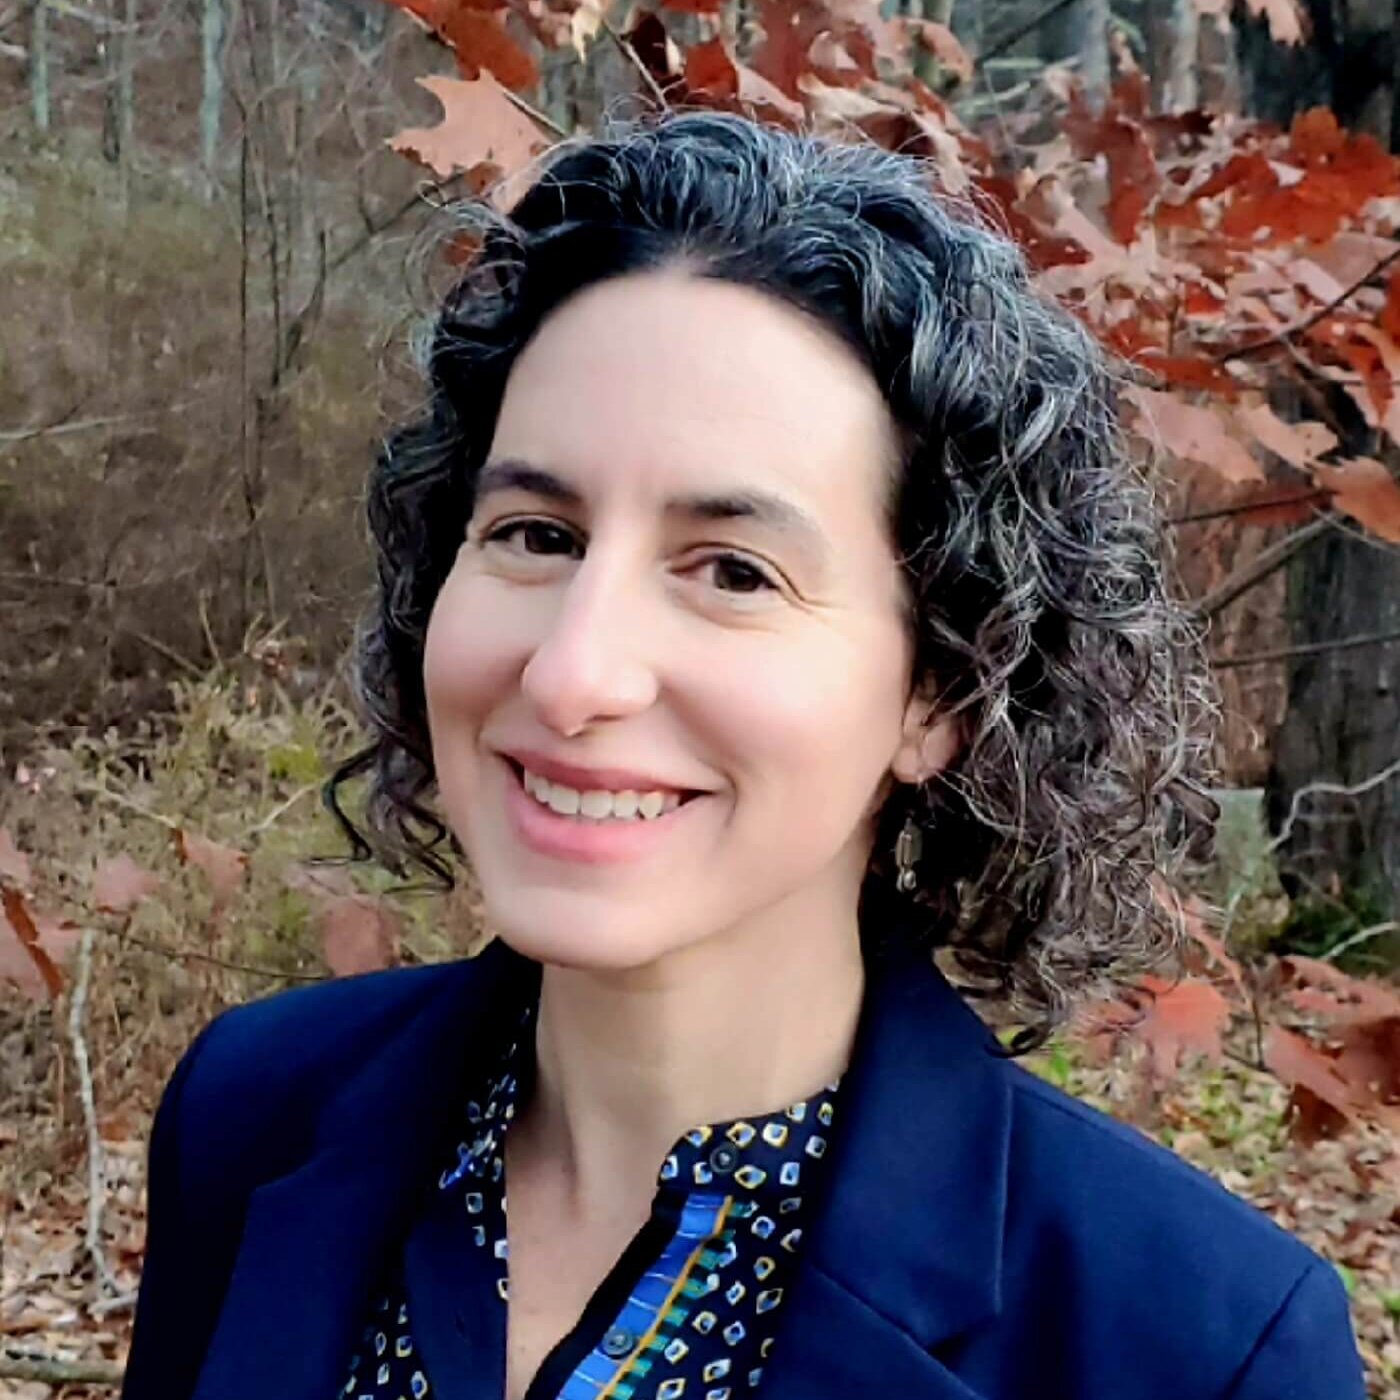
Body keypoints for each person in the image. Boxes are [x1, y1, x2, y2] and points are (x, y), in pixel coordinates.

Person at [119, 109, 1366, 1400]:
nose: (573, 672)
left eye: (732, 569)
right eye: (536, 534)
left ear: (941, 689)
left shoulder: (1189, 1343)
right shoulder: (255, 1114)